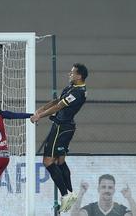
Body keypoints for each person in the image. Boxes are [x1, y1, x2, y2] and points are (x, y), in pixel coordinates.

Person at [30, 63, 88, 212]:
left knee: (48, 161)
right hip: (65, 127)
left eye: (72, 72)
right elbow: (57, 101)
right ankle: (70, 193)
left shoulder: (79, 92)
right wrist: (41, 109)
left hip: (61, 128)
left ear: (79, 76)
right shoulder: (71, 88)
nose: (69, 74)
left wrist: (40, 116)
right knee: (60, 161)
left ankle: (64, 195)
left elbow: (59, 106)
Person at [70, 174, 136, 216]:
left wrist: (129, 198)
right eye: (103, 187)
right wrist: (81, 193)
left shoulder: (121, 210)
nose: (107, 190)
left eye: (110, 187)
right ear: (98, 189)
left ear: (114, 190)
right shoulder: (90, 209)